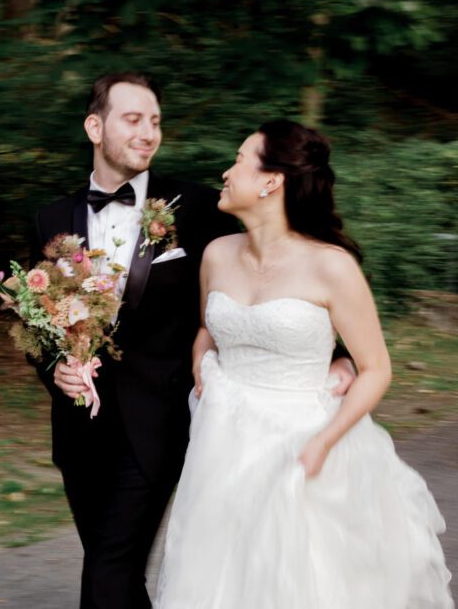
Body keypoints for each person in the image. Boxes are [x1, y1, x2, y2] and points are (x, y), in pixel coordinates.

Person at [29, 74, 356, 608]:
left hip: (157, 424)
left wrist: (332, 351)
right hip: (79, 433)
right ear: (95, 126)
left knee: (107, 573)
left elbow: (277, 271)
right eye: (133, 119)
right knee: (115, 569)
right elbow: (39, 320)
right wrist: (56, 369)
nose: (148, 132)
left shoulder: (200, 206)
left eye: (155, 120)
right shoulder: (51, 218)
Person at [154, 120, 453, 608]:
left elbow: (376, 368)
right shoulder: (216, 254)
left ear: (272, 180)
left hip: (304, 449)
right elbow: (208, 329)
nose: (226, 173)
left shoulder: (331, 266)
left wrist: (322, 444)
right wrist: (199, 364)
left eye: (239, 159)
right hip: (222, 446)